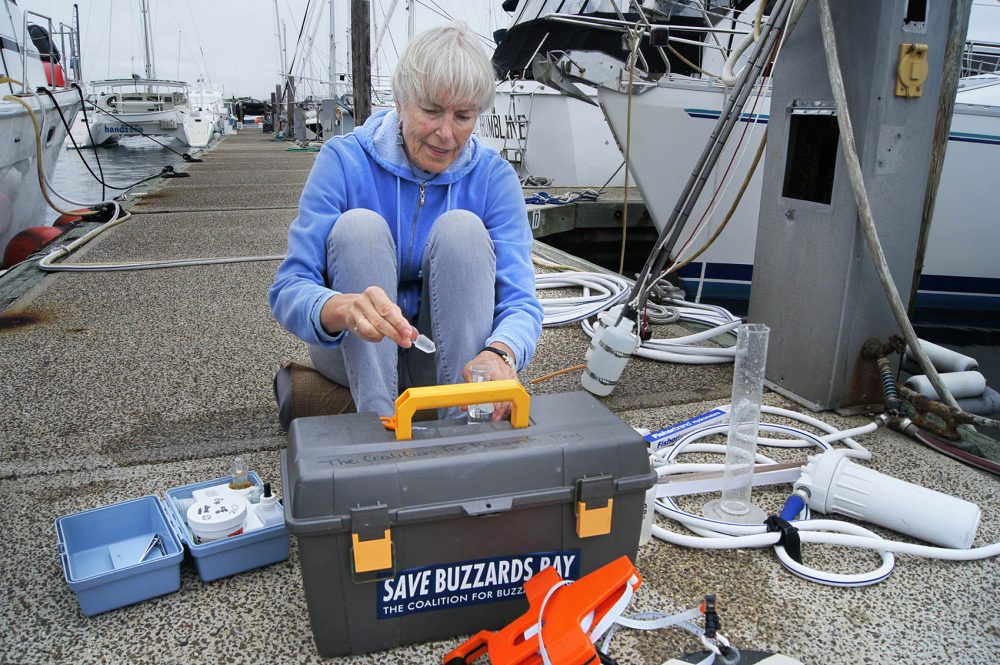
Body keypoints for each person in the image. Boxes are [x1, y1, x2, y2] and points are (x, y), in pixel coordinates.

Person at [269, 24, 543, 422]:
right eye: (431, 111)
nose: (446, 134)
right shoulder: (342, 160)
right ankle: (376, 430)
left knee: (463, 229)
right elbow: (289, 289)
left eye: (463, 116)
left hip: (449, 362)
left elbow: (521, 302)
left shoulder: (494, 177)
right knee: (358, 227)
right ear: (399, 102)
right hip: (351, 357)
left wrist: (500, 352)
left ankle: (463, 428)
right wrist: (342, 307)